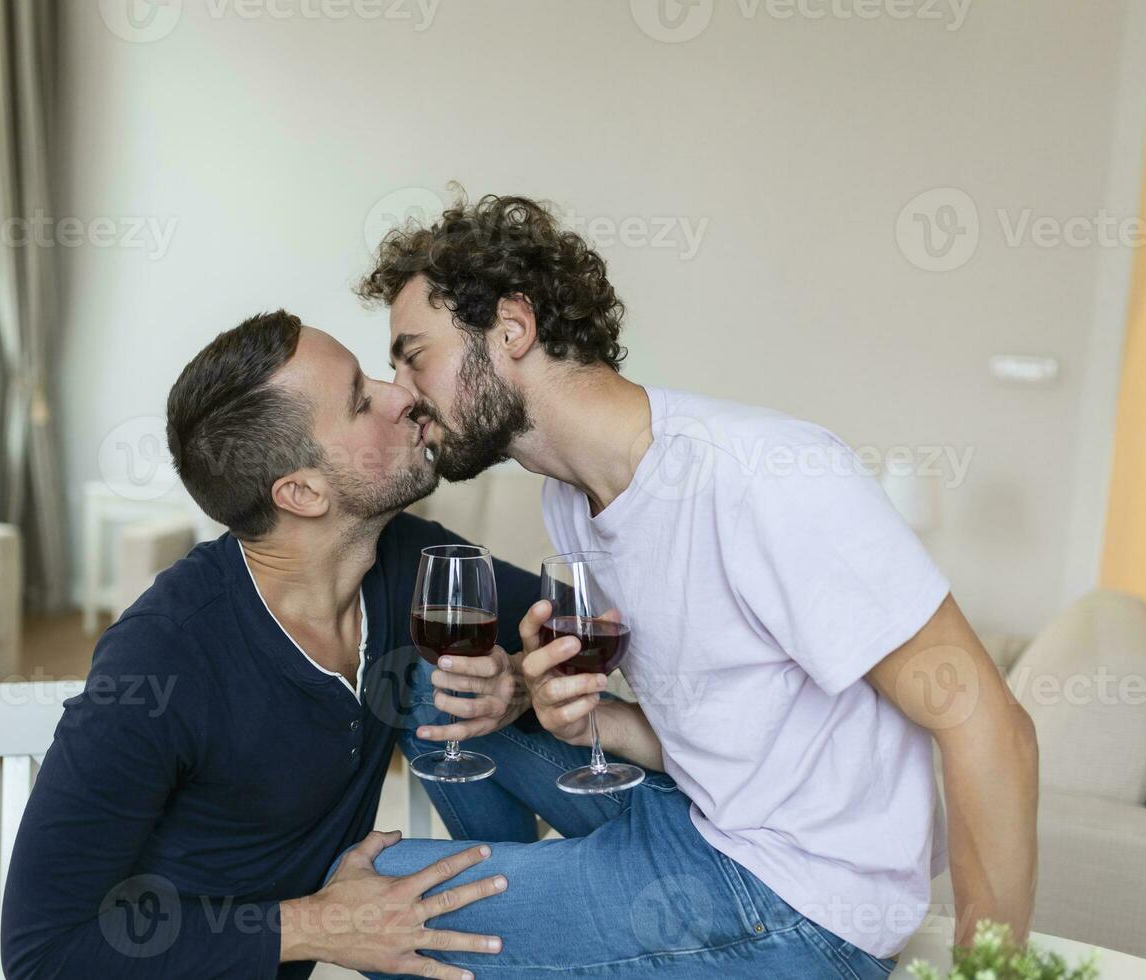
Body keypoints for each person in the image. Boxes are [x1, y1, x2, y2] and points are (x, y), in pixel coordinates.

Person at [357, 192, 1041, 973]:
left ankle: (536, 941)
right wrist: (553, 708)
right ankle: (541, 945)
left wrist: (994, 971)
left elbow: (992, 726)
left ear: (512, 327)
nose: (405, 395)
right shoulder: (570, 499)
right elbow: (718, 733)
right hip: (698, 820)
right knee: (429, 688)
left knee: (378, 900)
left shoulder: (763, 476)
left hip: (797, 900)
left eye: (413, 355)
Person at [0, 310, 791, 980]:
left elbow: (584, 618)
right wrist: (310, 928)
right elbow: (40, 948)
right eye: (359, 401)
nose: (402, 394)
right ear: (302, 492)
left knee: (443, 691)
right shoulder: (161, 660)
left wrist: (517, 678)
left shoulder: (410, 564)